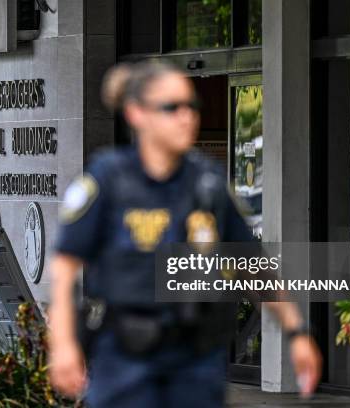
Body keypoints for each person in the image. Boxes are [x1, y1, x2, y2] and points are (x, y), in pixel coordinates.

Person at [48, 61, 322, 408]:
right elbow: (65, 267)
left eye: (191, 106)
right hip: (125, 360)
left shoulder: (207, 184)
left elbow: (252, 264)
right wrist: (63, 344)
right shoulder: (107, 180)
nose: (186, 117)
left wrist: (296, 333)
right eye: (171, 107)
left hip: (196, 363)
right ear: (136, 113)